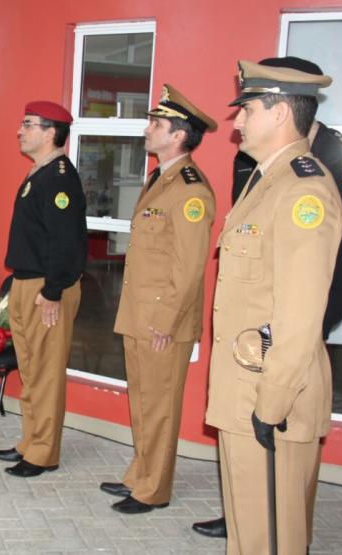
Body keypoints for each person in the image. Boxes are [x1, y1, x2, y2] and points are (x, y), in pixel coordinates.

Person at [194, 56, 342, 540]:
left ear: (281, 112)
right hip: (247, 389)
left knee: (271, 537)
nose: (237, 120)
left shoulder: (303, 191)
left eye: (247, 109)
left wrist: (272, 405)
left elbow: (302, 314)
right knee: (249, 534)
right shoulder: (269, 179)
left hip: (270, 396)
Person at [99, 85, 218, 514]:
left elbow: (189, 268)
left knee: (160, 406)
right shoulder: (160, 179)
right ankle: (139, 473)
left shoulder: (190, 190)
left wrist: (166, 321)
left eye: (157, 124)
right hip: (140, 315)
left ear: (178, 136)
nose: (147, 129)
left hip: (161, 322)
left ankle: (154, 490)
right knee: (143, 401)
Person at [0, 101, 87, 478]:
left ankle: (44, 452)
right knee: (31, 369)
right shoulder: (41, 172)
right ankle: (31, 440)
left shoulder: (59, 177)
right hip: (28, 282)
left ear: (51, 132)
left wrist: (52, 291)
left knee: (45, 372)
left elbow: (67, 242)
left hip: (47, 288)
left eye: (27, 124)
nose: (20, 130)